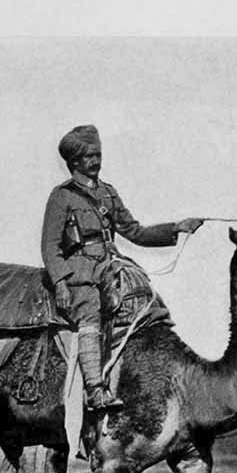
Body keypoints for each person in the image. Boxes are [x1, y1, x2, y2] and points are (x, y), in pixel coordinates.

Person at [41, 124, 204, 410]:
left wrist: (177, 227)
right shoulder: (62, 196)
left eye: (98, 154)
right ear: (74, 162)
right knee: (90, 307)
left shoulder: (108, 193)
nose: (96, 161)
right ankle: (95, 390)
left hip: (110, 265)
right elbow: (50, 247)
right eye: (89, 156)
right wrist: (61, 283)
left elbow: (135, 232)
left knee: (144, 298)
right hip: (79, 272)